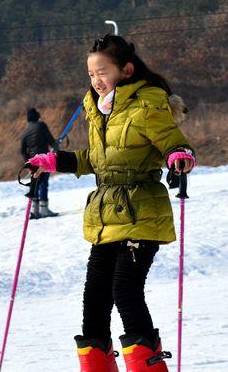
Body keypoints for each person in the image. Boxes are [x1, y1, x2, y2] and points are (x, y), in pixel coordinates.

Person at [27, 35, 195, 372]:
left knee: (125, 290)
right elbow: (96, 158)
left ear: (126, 70)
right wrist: (53, 162)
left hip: (141, 209)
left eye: (102, 72)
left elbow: (174, 143)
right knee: (95, 296)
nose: (95, 81)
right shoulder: (99, 108)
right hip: (105, 213)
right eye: (90, 75)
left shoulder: (148, 104)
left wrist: (179, 156)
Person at [20, 107, 58, 218]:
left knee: (35, 184)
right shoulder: (41, 126)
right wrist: (56, 148)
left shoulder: (24, 132)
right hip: (44, 160)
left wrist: (29, 162)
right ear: (37, 116)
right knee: (43, 183)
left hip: (33, 162)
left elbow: (22, 151)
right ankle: (44, 210)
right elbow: (51, 140)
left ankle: (35, 211)